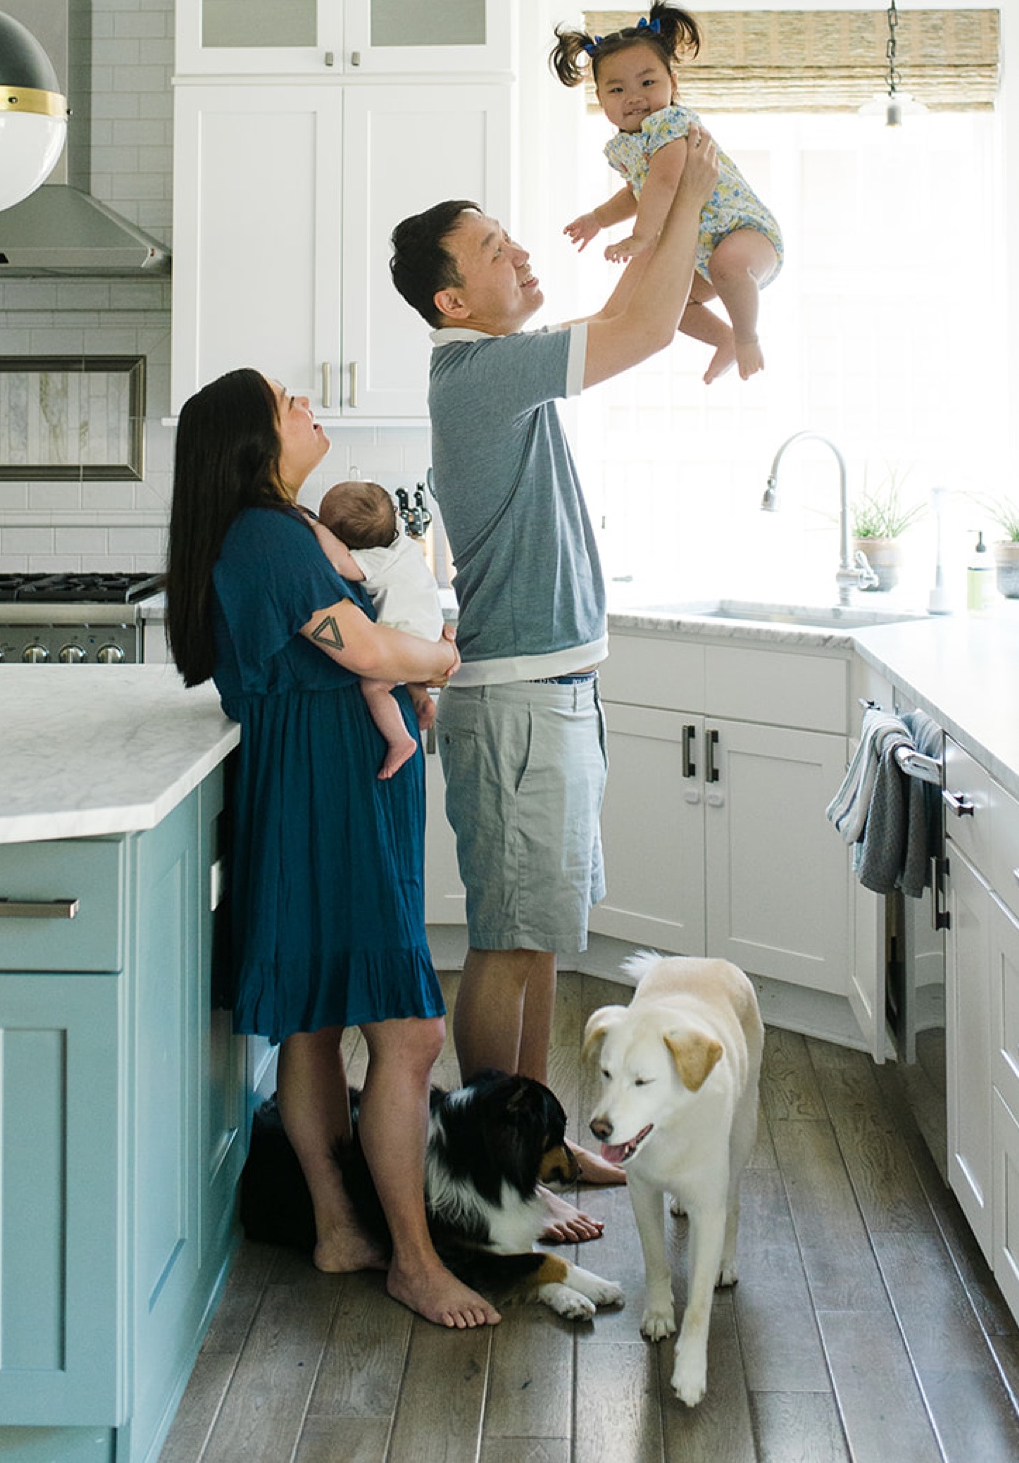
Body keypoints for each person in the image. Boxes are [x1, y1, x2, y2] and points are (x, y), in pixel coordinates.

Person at [388, 124, 721, 1237]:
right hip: (523, 699)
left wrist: (671, 203)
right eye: (492, 249)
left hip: (558, 689)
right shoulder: (479, 371)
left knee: (534, 938)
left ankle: (536, 1141)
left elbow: (644, 320)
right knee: (504, 941)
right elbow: (645, 321)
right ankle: (497, 1179)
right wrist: (681, 188)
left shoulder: (502, 372)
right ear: (452, 302)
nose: (521, 254)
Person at [166, 370, 498, 1330]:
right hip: (330, 792)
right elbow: (357, 647)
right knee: (410, 1032)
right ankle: (415, 1262)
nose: (308, 403)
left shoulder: (268, 529)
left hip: (316, 780)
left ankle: (338, 1226)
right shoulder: (269, 535)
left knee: (314, 1019)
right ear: (252, 440)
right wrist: (440, 658)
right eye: (287, 401)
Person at [553, 0, 784, 382]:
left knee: (728, 265)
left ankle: (746, 337)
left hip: (743, 233)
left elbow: (665, 179)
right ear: (600, 99)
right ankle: (723, 338)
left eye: (647, 82)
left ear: (672, 83)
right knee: (667, 302)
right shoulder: (629, 144)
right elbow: (637, 193)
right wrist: (597, 218)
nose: (634, 97)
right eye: (617, 90)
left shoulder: (671, 124)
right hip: (700, 251)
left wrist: (642, 237)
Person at [312, 479, 445, 780]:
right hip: (427, 629)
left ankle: (400, 739)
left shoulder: (375, 560)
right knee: (408, 674)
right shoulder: (402, 543)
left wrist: (314, 527)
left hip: (407, 639)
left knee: (374, 687)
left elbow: (339, 562)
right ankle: (422, 700)